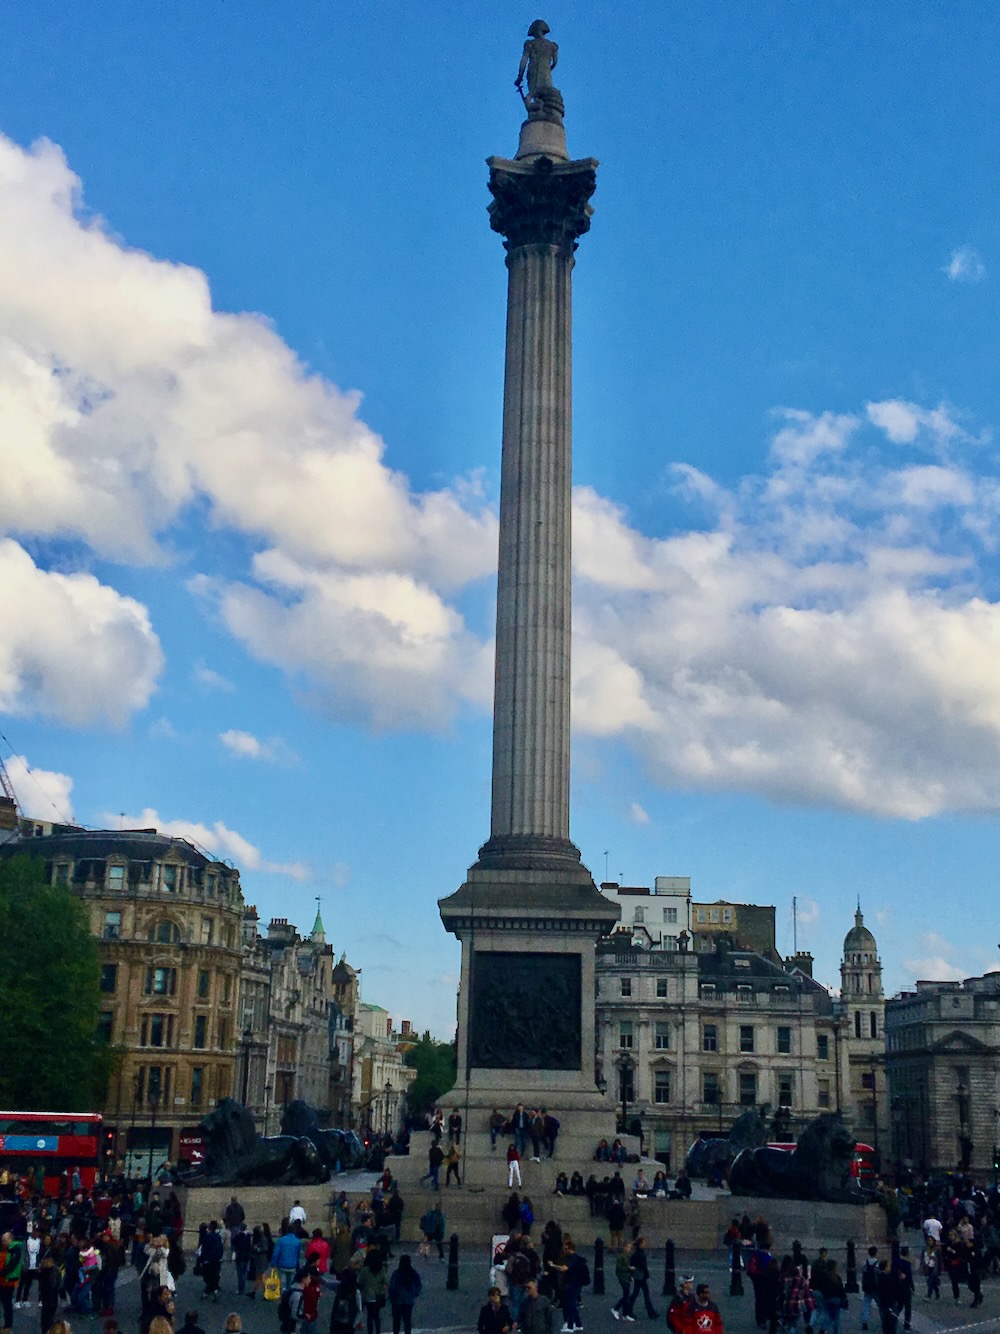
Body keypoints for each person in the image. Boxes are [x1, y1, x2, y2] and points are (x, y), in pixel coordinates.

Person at [387, 1255, 421, 1334]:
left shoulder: (396, 1273)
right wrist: (414, 1293)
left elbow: (392, 1286)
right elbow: (419, 1285)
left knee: (396, 1321)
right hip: (408, 1301)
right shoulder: (413, 1273)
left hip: (397, 1301)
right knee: (407, 1320)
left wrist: (391, 1296)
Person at [358, 1250, 387, 1334]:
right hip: (378, 1295)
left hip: (368, 1296)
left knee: (370, 1317)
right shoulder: (381, 1269)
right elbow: (385, 1282)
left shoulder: (364, 1270)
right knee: (377, 1316)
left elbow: (361, 1283)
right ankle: (378, 1331)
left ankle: (370, 1332)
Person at [272, 1227, 304, 1294]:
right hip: (293, 1265)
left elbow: (276, 1253)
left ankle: (283, 1296)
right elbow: (299, 1254)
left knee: (282, 1282)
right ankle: (289, 1296)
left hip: (282, 1265)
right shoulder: (298, 1241)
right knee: (290, 1283)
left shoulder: (281, 1240)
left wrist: (273, 1263)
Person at [199, 1222, 224, 1302]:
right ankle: (213, 1292)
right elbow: (220, 1249)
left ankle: (207, 1293)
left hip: (208, 1260)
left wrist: (203, 1259)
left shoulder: (207, 1237)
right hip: (216, 1260)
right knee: (214, 1276)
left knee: (208, 1278)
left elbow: (204, 1250)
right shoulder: (218, 1237)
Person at [329, 1268, 359, 1334]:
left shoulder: (340, 1288)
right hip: (348, 1323)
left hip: (339, 1322)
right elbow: (359, 1309)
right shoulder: (355, 1291)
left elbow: (335, 1307)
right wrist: (355, 1324)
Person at [611, 1243, 635, 1321]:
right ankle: (616, 1309)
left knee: (626, 1295)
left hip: (626, 1277)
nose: (629, 1249)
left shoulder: (627, 1256)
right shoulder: (621, 1256)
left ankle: (624, 1314)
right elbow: (618, 1268)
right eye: (628, 1247)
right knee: (626, 1295)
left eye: (630, 1247)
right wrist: (628, 1268)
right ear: (624, 1247)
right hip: (623, 1278)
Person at [232, 1226, 252, 1296]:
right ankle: (242, 1287)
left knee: (240, 1274)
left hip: (240, 1257)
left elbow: (233, 1242)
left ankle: (241, 1289)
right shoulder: (248, 1236)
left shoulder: (238, 1236)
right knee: (244, 1272)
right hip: (246, 1257)